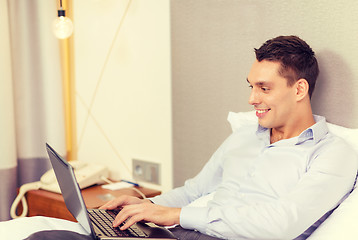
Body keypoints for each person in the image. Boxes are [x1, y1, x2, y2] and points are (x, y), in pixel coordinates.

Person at [4, 35, 358, 240]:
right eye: (251, 87)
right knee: (45, 237)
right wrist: (142, 206)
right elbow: (193, 191)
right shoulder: (246, 137)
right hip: (186, 233)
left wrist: (176, 214)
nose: (252, 100)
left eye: (264, 88)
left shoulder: (333, 153)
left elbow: (283, 224)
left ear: (300, 89)